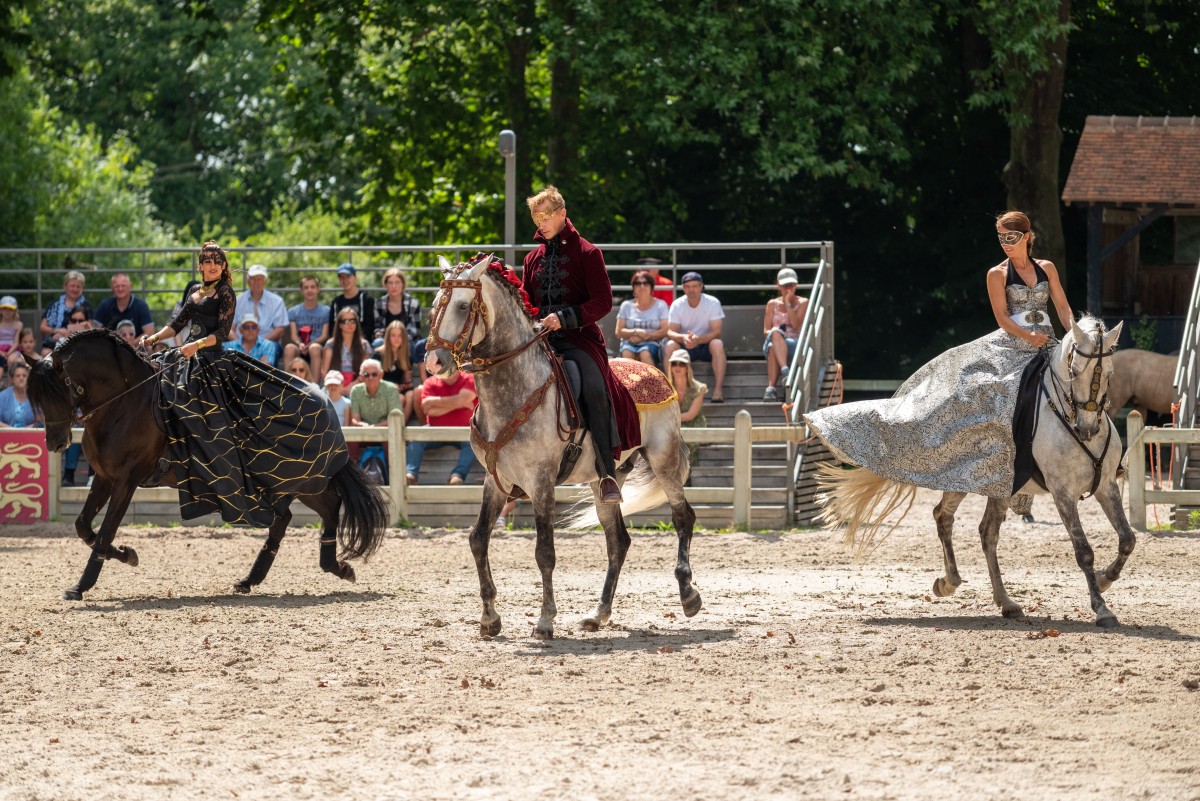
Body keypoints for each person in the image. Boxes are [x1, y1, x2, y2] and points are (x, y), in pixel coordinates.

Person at [805, 211, 1075, 499]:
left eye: (1012, 238)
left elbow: (1062, 307)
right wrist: (1028, 336)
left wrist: (1076, 335)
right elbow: (1002, 318)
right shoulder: (996, 274)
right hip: (1014, 345)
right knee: (995, 397)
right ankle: (1004, 469)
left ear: (1027, 237)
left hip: (1047, 342)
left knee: (1082, 383)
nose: (1005, 243)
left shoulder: (1047, 268)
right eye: (1001, 238)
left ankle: (1100, 456)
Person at [138, 240, 345, 526]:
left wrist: (196, 345)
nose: (210, 265)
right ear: (200, 265)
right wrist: (154, 338)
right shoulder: (196, 292)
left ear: (223, 267)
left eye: (216, 261)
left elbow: (223, 333)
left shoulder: (226, 292)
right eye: (206, 261)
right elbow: (176, 323)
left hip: (210, 361)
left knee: (211, 415)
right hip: (185, 355)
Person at [519, 185, 640, 503]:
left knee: (595, 389)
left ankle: (606, 473)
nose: (540, 222)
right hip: (540, 341)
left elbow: (603, 302)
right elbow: (528, 303)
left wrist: (565, 317)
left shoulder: (589, 253)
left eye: (545, 215)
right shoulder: (531, 259)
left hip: (579, 339)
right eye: (535, 216)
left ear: (562, 214)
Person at [406, 357, 478, 486]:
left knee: (475, 441)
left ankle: (457, 475)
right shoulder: (430, 382)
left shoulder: (469, 378)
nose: (449, 371)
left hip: (464, 431)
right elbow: (428, 409)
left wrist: (435, 402)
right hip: (435, 429)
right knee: (415, 437)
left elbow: (463, 399)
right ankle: (410, 474)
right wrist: (460, 403)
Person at [665, 271, 727, 402]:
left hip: (706, 344)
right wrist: (683, 338)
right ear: (683, 288)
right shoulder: (677, 304)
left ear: (701, 286)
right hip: (685, 346)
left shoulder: (712, 302)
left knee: (717, 344)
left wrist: (699, 339)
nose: (691, 290)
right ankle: (671, 390)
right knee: (670, 345)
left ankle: (718, 390)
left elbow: (717, 332)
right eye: (687, 286)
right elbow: (670, 332)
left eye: (694, 286)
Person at [762, 267, 808, 401]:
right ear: (778, 285)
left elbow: (795, 325)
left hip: (795, 342)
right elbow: (766, 331)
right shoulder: (772, 304)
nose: (787, 288)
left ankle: (771, 388)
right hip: (776, 339)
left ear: (796, 285)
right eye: (784, 285)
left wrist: (788, 303)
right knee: (774, 334)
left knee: (772, 346)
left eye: (791, 285)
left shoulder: (803, 302)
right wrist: (776, 333)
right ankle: (785, 371)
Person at [615, 270, 670, 367]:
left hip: (652, 344)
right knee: (627, 354)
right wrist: (636, 332)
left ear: (652, 287)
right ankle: (627, 382)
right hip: (629, 343)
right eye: (638, 283)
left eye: (646, 283)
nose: (642, 286)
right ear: (633, 287)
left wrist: (647, 336)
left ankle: (651, 382)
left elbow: (665, 330)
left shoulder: (660, 305)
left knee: (645, 353)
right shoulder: (626, 305)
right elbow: (618, 331)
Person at [231, 265, 288, 356]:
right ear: (247, 280)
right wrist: (240, 345)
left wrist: (259, 344)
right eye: (253, 279)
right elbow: (230, 329)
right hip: (240, 344)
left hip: (268, 342)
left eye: (260, 279)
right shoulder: (237, 301)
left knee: (269, 348)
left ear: (266, 281)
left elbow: (280, 329)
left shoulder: (277, 301)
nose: (256, 282)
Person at [282, 274, 330, 380]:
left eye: (312, 287)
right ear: (301, 290)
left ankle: (314, 386)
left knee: (314, 348)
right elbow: (294, 335)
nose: (309, 290)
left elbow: (324, 335)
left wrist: (310, 344)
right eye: (306, 287)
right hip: (300, 347)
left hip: (316, 347)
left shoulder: (326, 311)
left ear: (318, 289)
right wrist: (300, 344)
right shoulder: (293, 311)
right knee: (289, 348)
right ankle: (287, 384)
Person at [668, 349, 707, 471]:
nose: (677, 367)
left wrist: (670, 419)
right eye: (674, 363)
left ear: (687, 368)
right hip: (673, 426)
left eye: (682, 364)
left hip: (693, 425)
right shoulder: (666, 388)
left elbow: (691, 415)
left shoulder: (699, 388)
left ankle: (687, 480)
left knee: (682, 444)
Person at [39, 269, 91, 353]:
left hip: (79, 343)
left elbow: (90, 328)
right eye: (72, 286)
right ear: (65, 286)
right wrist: (58, 331)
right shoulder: (54, 305)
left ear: (82, 288)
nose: (75, 289)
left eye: (78, 287)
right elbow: (42, 328)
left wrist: (67, 334)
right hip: (54, 343)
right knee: (46, 353)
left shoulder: (87, 305)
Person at [374, 320, 415, 421]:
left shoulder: (406, 356)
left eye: (400, 336)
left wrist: (404, 385)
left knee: (410, 395)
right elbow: (372, 378)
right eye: (393, 335)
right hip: (381, 389)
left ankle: (401, 428)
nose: (396, 339)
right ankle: (393, 427)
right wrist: (391, 387)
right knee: (400, 398)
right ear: (388, 337)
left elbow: (408, 383)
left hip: (399, 389)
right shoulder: (378, 355)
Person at [374, 266, 422, 352]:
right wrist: (382, 335)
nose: (393, 286)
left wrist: (398, 340)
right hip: (386, 341)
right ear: (385, 285)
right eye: (390, 282)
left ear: (403, 284)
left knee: (410, 345)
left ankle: (405, 365)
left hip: (407, 340)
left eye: (397, 282)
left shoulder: (413, 303)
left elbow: (415, 330)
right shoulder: (379, 304)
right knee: (377, 343)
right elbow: (378, 327)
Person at [323, 307, 372, 388]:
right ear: (340, 325)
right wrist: (336, 388)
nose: (350, 324)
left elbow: (365, 372)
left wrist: (350, 387)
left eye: (353, 321)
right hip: (333, 386)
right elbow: (324, 371)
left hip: (357, 386)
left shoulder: (364, 345)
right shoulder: (330, 344)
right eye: (345, 321)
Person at [328, 263, 375, 342]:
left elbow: (370, 326)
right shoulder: (336, 302)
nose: (345, 280)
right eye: (341, 278)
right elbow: (333, 327)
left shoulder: (366, 299)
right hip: (341, 343)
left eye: (348, 277)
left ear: (355, 278)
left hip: (362, 342)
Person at [0, 361, 35, 429]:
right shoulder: (2, 396)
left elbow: (41, 421)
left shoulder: (35, 397)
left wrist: (26, 430)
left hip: (30, 435)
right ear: (12, 379)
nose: (21, 378)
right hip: (6, 436)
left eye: (24, 376)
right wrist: (12, 431)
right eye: (17, 376)